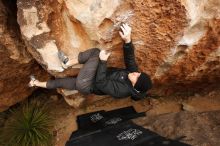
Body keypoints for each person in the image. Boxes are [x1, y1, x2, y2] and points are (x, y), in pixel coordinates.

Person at [29, 23, 152, 101]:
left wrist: (103, 62)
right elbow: (130, 59)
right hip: (89, 81)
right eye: (139, 73)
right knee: (60, 82)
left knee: (96, 53)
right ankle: (35, 83)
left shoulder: (122, 91)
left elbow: (100, 83)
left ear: (135, 86)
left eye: (137, 77)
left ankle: (67, 63)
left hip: (88, 85)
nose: (135, 73)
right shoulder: (133, 74)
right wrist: (128, 40)